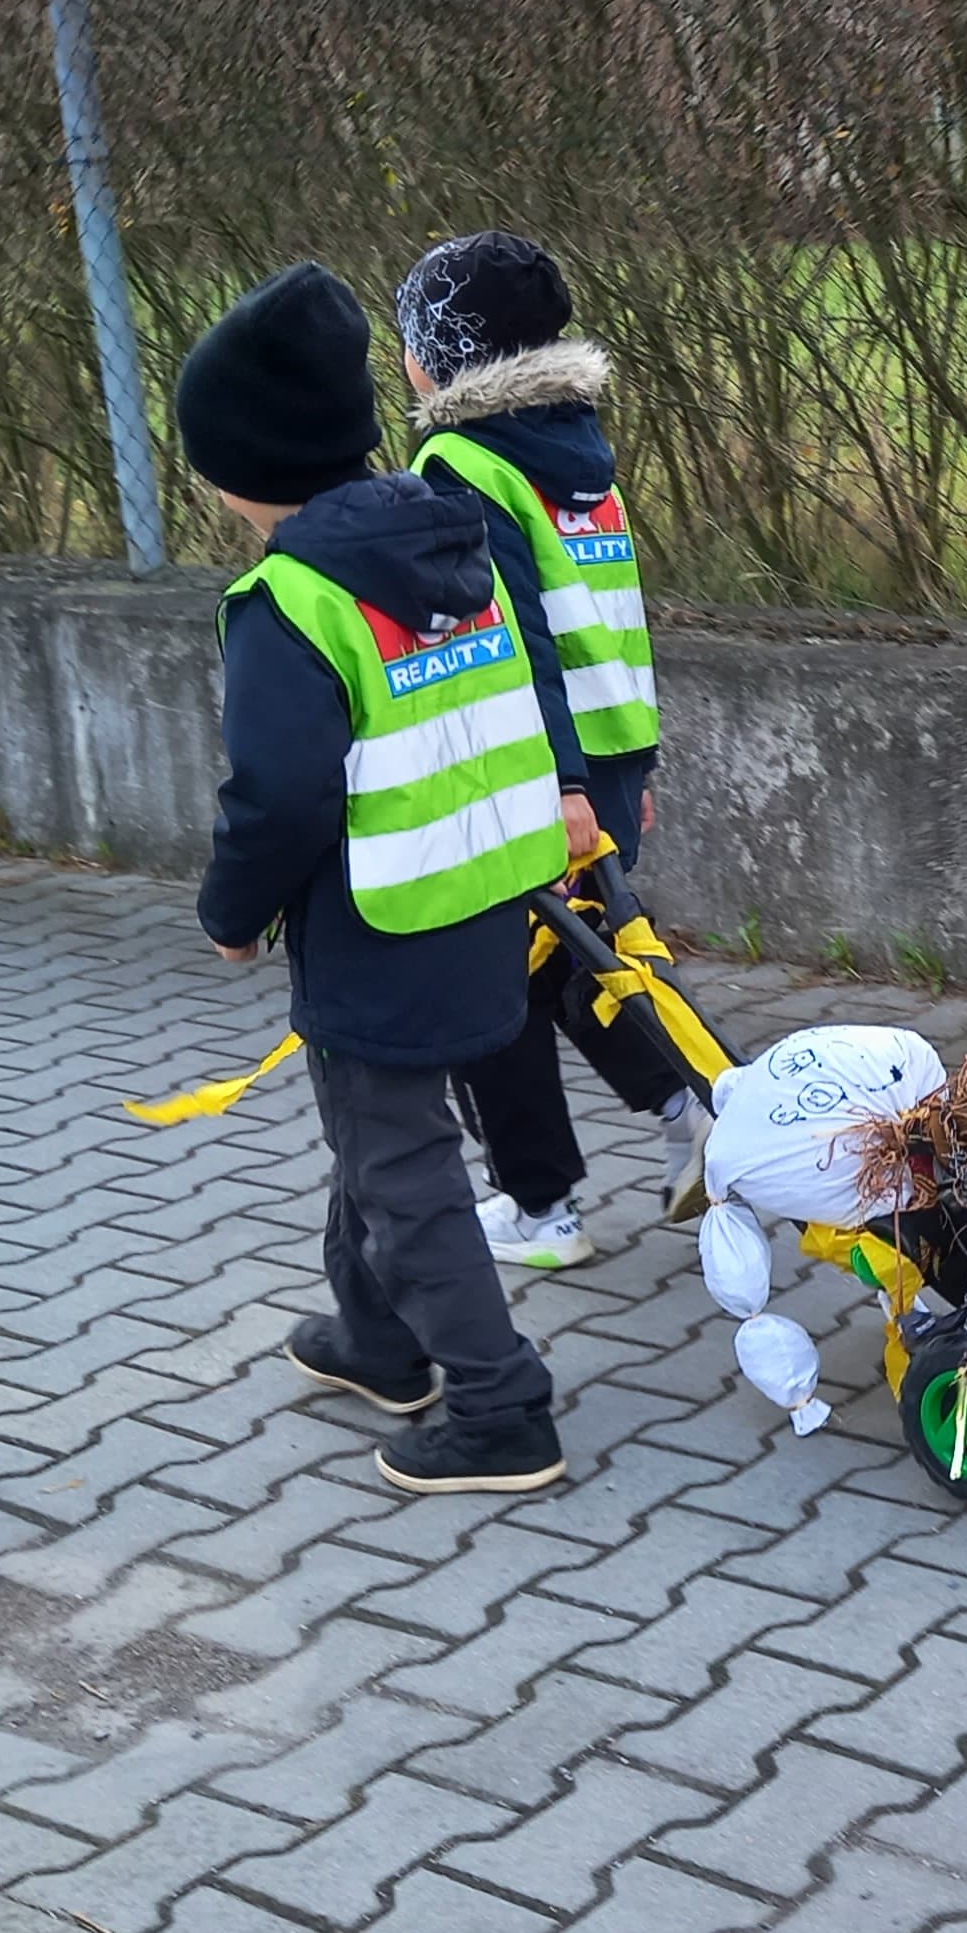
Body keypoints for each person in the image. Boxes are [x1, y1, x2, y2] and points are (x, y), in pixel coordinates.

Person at [179, 259, 569, 1497]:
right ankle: (378, 1340)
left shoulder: (288, 599)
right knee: (378, 1137)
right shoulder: (449, 538)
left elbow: (277, 795)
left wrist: (232, 914)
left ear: (245, 465)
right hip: (485, 896)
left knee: (400, 1165)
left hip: (378, 924)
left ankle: (500, 1408)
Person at [391, 230, 697, 1269]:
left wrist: (560, 785)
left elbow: (515, 637)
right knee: (574, 961)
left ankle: (540, 1210)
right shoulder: (581, 452)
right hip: (607, 752)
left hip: (534, 767)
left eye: (411, 335)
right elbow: (613, 617)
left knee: (490, 987)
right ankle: (688, 1106)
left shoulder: (460, 463)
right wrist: (628, 770)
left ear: (443, 352)